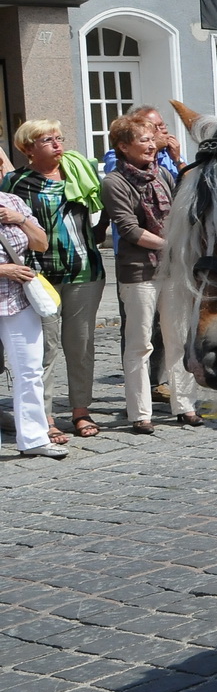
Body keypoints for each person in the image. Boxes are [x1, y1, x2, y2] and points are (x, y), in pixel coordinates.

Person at [4, 121, 106, 443]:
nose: (57, 144)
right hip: (39, 275)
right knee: (45, 349)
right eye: (47, 139)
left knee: (81, 345)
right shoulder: (16, 182)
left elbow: (102, 205)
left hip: (84, 270)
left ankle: (80, 410)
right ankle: (45, 416)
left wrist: (100, 233)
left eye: (59, 138)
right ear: (28, 148)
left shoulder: (78, 172)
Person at [99, 115, 200, 433]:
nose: (151, 144)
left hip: (170, 268)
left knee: (178, 338)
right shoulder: (114, 182)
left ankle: (185, 405)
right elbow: (129, 229)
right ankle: (140, 413)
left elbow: (184, 207)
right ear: (123, 146)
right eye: (143, 140)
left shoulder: (162, 175)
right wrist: (172, 244)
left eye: (151, 139)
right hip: (138, 271)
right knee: (140, 344)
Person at [1, 187, 59, 457]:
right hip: (8, 283)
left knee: (30, 370)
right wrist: (3, 269)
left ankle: (34, 439)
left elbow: (41, 244)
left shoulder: (12, 201)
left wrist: (20, 219)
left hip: (17, 299)